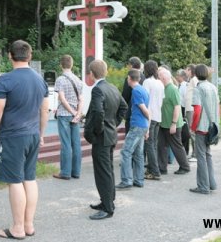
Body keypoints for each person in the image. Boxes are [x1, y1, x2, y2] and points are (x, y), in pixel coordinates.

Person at [0, 40, 49, 239]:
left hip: (12, 137)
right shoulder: (39, 80)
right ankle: (28, 225)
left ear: (9, 55)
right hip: (33, 135)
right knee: (29, 178)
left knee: (15, 181)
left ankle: (17, 228)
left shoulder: (5, 80)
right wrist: (41, 134)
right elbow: (44, 110)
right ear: (30, 55)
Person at [84, 60, 127, 220]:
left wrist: (99, 130)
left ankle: (108, 207)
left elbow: (98, 112)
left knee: (103, 172)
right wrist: (113, 124)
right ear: (106, 72)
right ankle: (107, 201)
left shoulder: (98, 90)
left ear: (91, 74)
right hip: (110, 135)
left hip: (102, 137)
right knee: (107, 170)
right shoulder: (112, 88)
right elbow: (124, 107)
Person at [117, 69, 150, 189]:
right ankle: (139, 180)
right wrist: (147, 127)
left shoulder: (135, 91)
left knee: (126, 152)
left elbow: (144, 110)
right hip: (142, 126)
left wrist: (148, 125)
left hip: (136, 125)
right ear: (139, 79)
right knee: (138, 154)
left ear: (129, 79)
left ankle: (126, 180)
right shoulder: (143, 90)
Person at [53, 55, 83, 180]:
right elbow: (81, 99)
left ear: (61, 65)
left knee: (66, 144)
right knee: (76, 143)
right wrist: (78, 113)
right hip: (75, 116)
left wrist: (71, 111)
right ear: (72, 64)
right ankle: (76, 172)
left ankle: (65, 172)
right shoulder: (78, 79)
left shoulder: (60, 79)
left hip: (64, 115)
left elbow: (62, 98)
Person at [189, 64, 218, 195]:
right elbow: (217, 106)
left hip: (201, 127)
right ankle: (212, 183)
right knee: (208, 155)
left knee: (200, 156)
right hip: (212, 127)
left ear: (195, 74)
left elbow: (197, 111)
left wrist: (193, 127)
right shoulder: (213, 87)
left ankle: (203, 186)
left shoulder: (198, 89)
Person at [157, 68, 190, 175]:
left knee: (176, 146)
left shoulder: (172, 89)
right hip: (163, 123)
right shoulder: (164, 88)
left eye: (159, 77)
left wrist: (174, 123)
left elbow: (177, 107)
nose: (158, 79)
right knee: (161, 145)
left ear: (164, 78)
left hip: (172, 124)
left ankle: (185, 167)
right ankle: (162, 167)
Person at [143, 60, 165, 180]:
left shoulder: (147, 82)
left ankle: (155, 171)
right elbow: (161, 100)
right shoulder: (160, 83)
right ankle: (151, 169)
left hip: (149, 116)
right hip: (158, 116)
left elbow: (144, 99)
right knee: (153, 144)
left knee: (149, 145)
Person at [122, 57, 145, 134]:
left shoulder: (130, 77)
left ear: (131, 65)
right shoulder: (144, 77)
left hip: (131, 110)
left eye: (128, 65)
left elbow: (125, 95)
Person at [184, 64, 198, 162]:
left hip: (191, 109)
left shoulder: (194, 80)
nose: (185, 71)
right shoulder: (190, 80)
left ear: (190, 70)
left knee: (192, 131)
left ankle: (195, 153)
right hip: (188, 108)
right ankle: (194, 153)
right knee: (190, 131)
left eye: (186, 69)